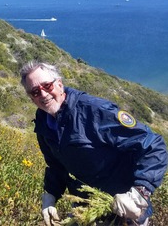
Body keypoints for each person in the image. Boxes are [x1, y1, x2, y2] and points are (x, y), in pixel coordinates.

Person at [20, 61, 167, 226]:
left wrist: (140, 193)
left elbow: (154, 145)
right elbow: (56, 164)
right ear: (31, 98)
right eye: (35, 91)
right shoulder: (43, 122)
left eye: (47, 85)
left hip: (126, 208)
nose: (43, 94)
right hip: (87, 209)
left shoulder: (95, 111)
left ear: (59, 84)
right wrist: (50, 195)